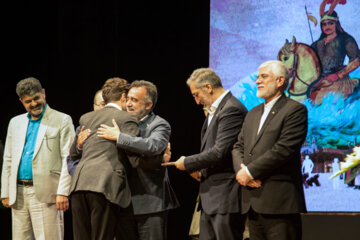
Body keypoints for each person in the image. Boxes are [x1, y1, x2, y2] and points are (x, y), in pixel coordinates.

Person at [232, 60, 307, 240]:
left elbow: (284, 149)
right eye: (258, 77)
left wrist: (250, 172)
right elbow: (237, 146)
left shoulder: (294, 110)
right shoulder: (252, 113)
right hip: (251, 200)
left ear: (280, 81)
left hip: (279, 203)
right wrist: (242, 172)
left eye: (264, 76)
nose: (258, 81)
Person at [97, 80, 179, 240]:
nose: (128, 104)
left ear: (148, 105)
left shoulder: (159, 124)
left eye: (134, 100)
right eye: (127, 99)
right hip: (122, 203)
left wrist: (119, 137)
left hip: (150, 202)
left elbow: (153, 145)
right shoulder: (119, 122)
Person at [173, 68, 248, 240]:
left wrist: (188, 162)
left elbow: (220, 152)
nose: (196, 101)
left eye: (196, 94)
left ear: (208, 87)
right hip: (211, 198)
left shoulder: (231, 109)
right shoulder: (216, 111)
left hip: (225, 197)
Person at [0, 77, 75, 239]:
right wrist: (5, 191)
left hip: (46, 193)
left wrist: (63, 191)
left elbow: (68, 158)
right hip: (18, 194)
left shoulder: (62, 119)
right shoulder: (15, 122)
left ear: (44, 93)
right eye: (28, 101)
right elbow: (8, 159)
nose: (33, 104)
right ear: (21, 101)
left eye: (36, 98)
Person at [69, 78, 139, 240]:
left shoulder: (87, 118)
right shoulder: (126, 118)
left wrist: (79, 146)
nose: (128, 103)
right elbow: (133, 157)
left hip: (79, 185)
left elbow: (73, 154)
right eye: (127, 98)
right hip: (105, 186)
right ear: (123, 97)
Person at [309, 1, 360, 104]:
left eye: (330, 23)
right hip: (320, 80)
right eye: (324, 24)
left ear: (336, 23)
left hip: (339, 80)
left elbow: (357, 61)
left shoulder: (346, 39)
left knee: (322, 99)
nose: (327, 27)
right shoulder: (316, 44)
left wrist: (338, 75)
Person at [67, 89, 105, 177]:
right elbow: (71, 160)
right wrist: (82, 175)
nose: (107, 108)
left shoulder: (118, 127)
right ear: (94, 106)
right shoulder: (83, 128)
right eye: (103, 104)